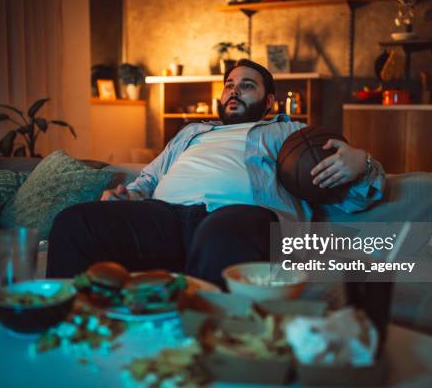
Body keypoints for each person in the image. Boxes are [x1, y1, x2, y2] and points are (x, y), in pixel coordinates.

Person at [46, 59, 386, 287]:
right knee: (74, 222)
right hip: (166, 218)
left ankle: (198, 350)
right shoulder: (191, 133)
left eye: (247, 85)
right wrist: (127, 196)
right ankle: (62, 335)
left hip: (238, 219)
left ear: (269, 103)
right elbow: (147, 181)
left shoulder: (292, 135)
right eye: (229, 84)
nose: (234, 90)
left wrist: (363, 164)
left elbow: (349, 196)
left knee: (224, 231)